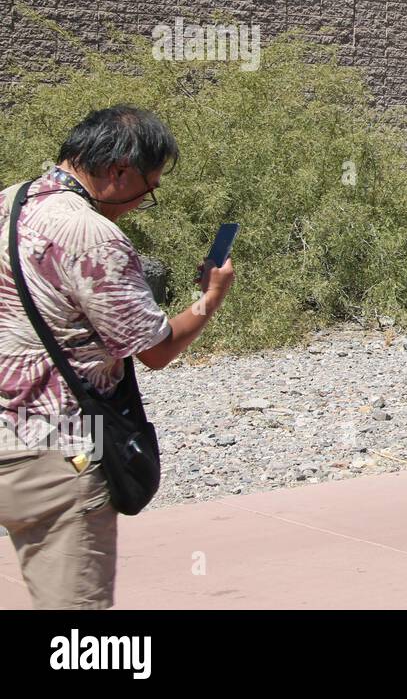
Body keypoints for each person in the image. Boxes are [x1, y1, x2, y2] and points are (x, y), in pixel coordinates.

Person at [0, 105, 235, 609]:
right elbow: (155, 349)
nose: (141, 201)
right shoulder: (91, 234)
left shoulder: (10, 201)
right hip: (56, 448)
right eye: (148, 188)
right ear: (118, 171)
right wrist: (211, 298)